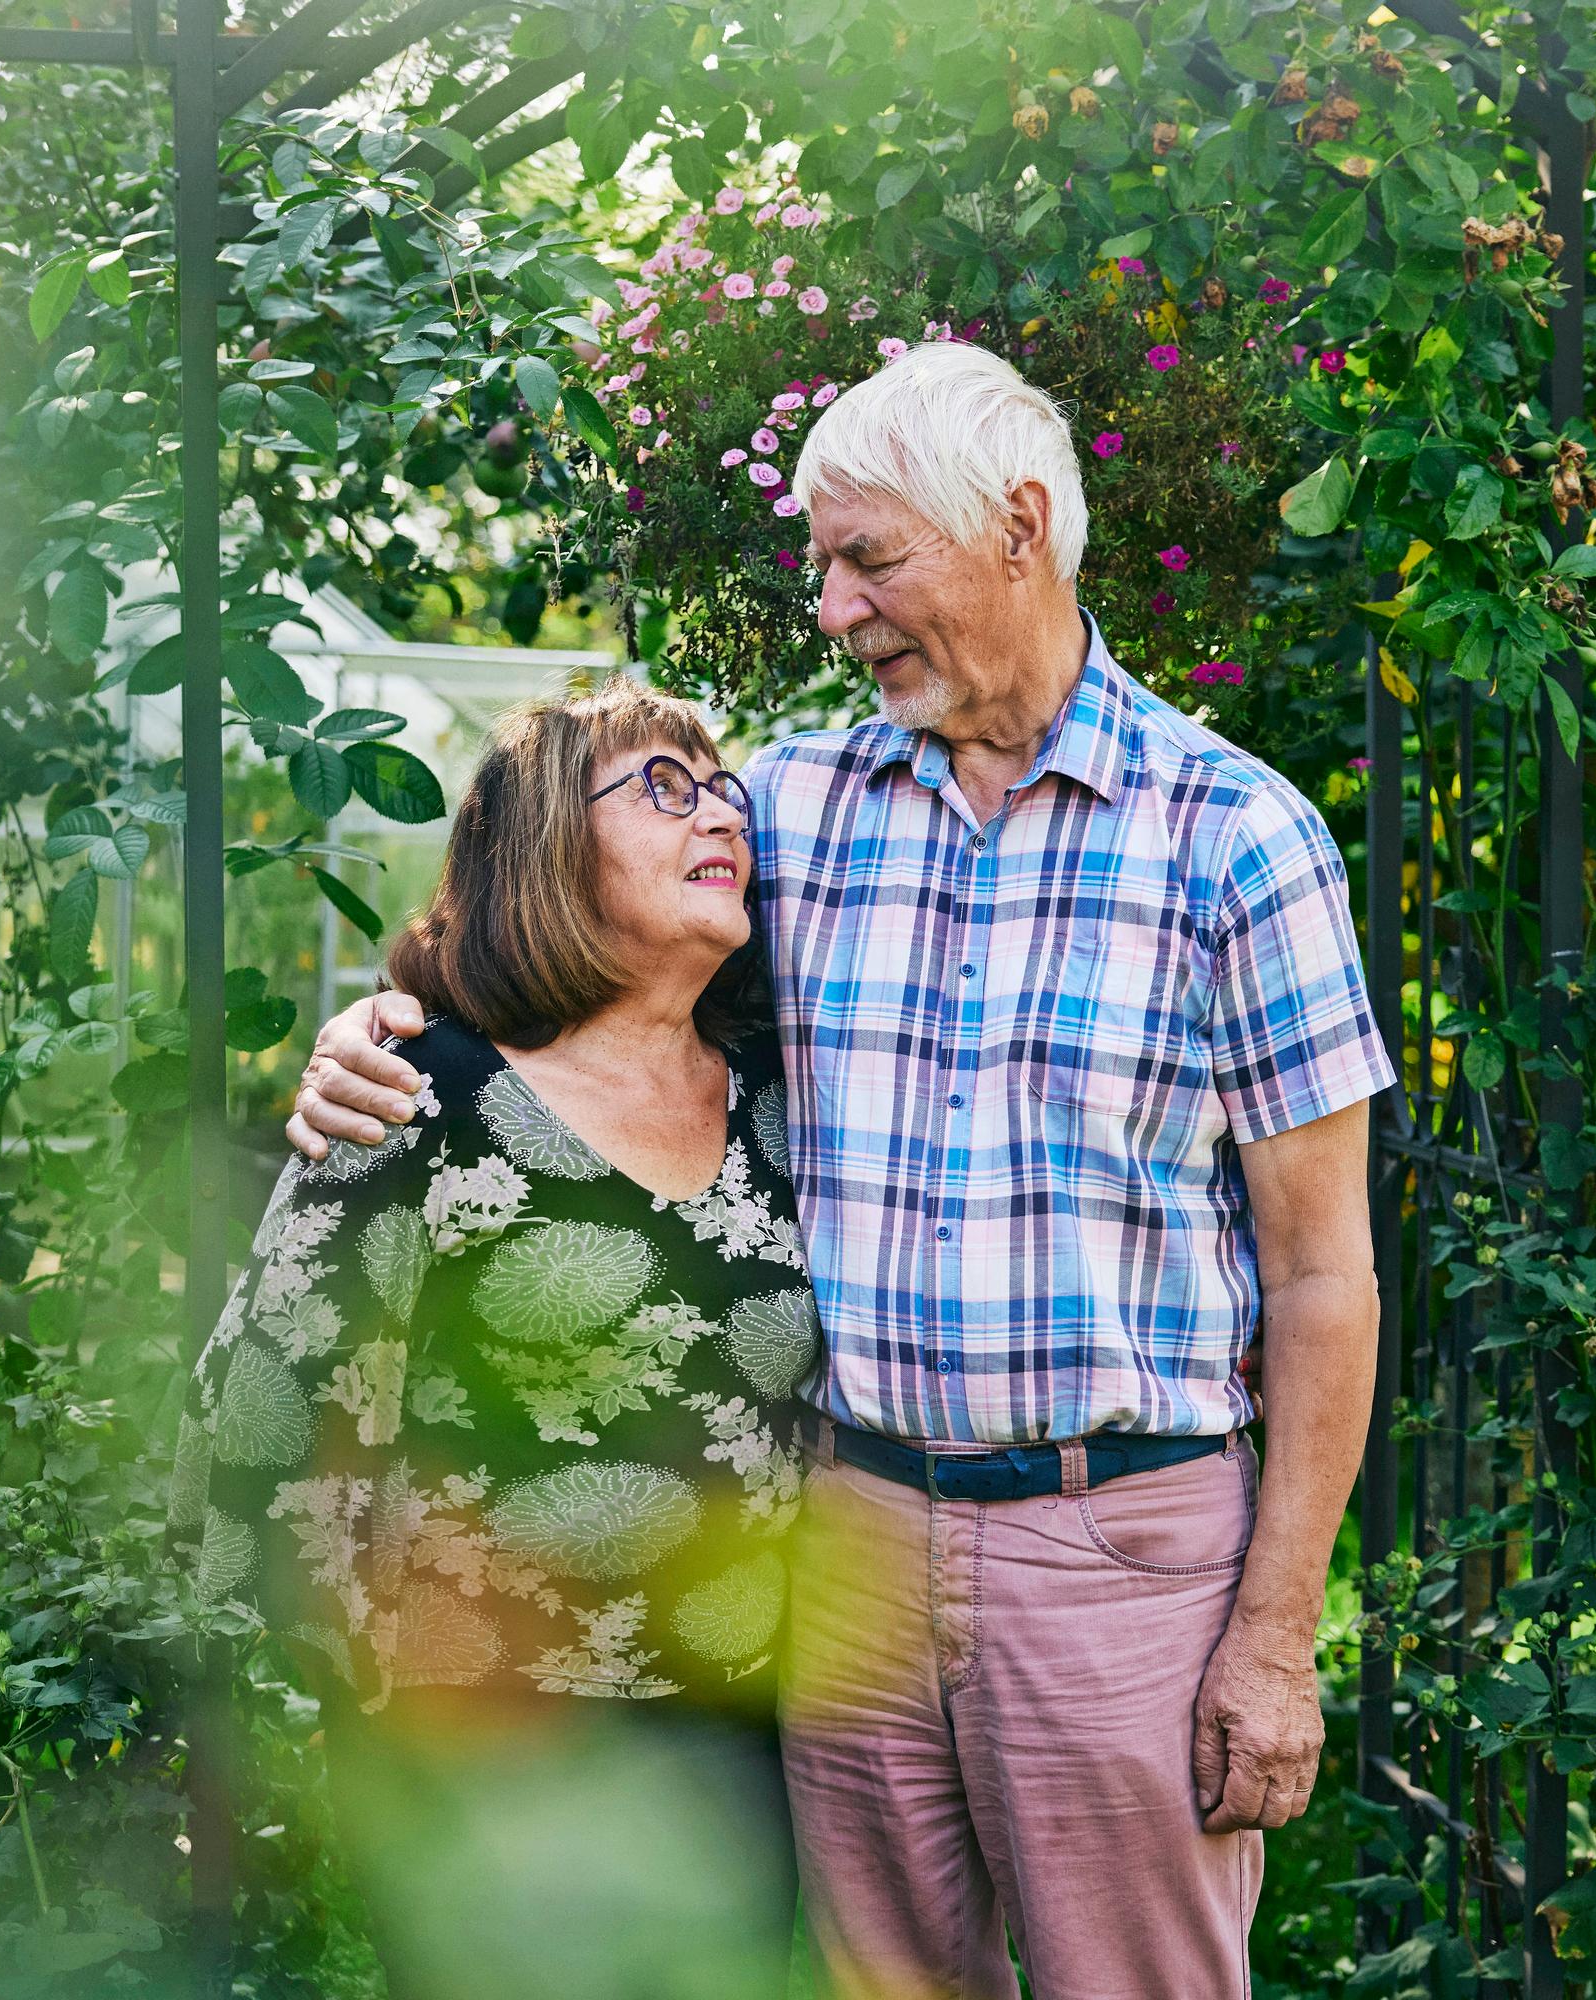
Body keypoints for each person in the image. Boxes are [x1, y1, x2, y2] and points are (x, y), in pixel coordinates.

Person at [286, 341, 1398, 1999]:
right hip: (850, 1536)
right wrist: (383, 1021)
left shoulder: (1238, 839)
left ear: (1020, 528)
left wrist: (1275, 1634)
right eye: (822, 563)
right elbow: (579, 948)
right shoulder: (796, 810)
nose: (831, 605)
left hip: (1119, 1549)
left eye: (870, 557)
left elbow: (1324, 1278)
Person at [170, 682, 812, 2000]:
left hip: (741, 1746)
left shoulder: (783, 1103)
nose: (720, 812)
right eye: (663, 784)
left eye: (723, 784)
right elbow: (263, 1418)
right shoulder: (425, 1097)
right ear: (544, 850)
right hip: (491, 1754)